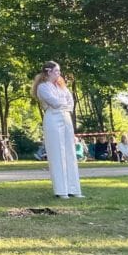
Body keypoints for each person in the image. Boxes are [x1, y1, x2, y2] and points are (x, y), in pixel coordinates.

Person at [31, 61, 83, 199]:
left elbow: (70, 102)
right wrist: (62, 102)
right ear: (48, 72)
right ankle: (61, 190)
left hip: (66, 117)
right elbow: (54, 102)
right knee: (57, 153)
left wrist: (62, 103)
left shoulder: (61, 87)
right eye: (56, 71)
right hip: (52, 119)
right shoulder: (42, 87)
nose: (59, 74)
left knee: (70, 152)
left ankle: (74, 189)